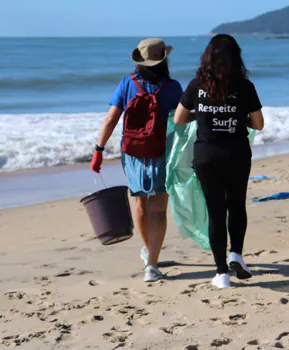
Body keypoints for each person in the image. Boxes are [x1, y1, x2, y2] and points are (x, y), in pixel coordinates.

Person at [174, 34, 264, 289]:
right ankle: (236, 253)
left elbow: (179, 119)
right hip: (236, 154)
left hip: (206, 157)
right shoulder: (245, 86)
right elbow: (258, 124)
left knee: (216, 213)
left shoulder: (195, 86)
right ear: (236, 58)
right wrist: (239, 120)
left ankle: (221, 273)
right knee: (236, 205)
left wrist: (200, 116)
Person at [91, 38, 183, 282]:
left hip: (133, 153)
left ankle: (148, 254)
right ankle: (152, 262)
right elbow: (183, 121)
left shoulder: (127, 83)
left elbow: (110, 119)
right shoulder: (173, 87)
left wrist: (99, 149)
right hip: (163, 151)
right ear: (164, 60)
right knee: (159, 208)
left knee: (141, 203)